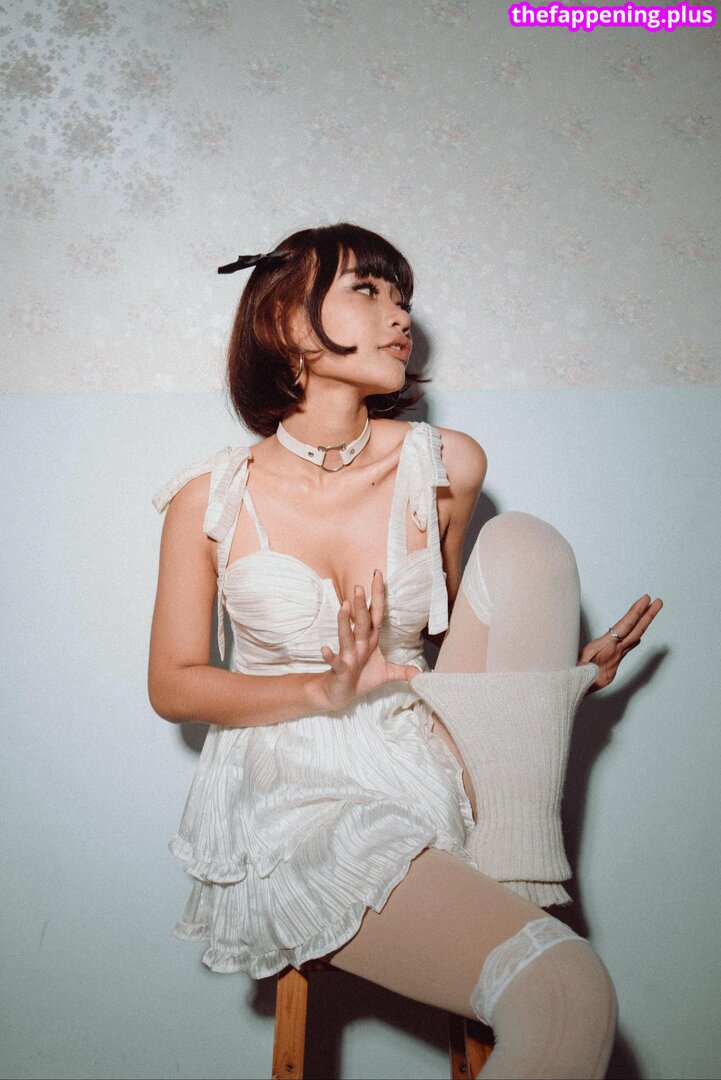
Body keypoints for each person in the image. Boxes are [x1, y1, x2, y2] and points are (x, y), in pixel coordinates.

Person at [148, 222, 663, 1078]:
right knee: (565, 993)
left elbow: (449, 637)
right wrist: (320, 691)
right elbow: (174, 685)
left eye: (402, 298)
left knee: (526, 543)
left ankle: (509, 876)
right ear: (284, 320)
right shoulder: (209, 498)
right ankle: (525, 930)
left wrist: (562, 673)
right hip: (300, 795)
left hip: (427, 747)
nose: (399, 317)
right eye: (367, 290)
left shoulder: (445, 465)